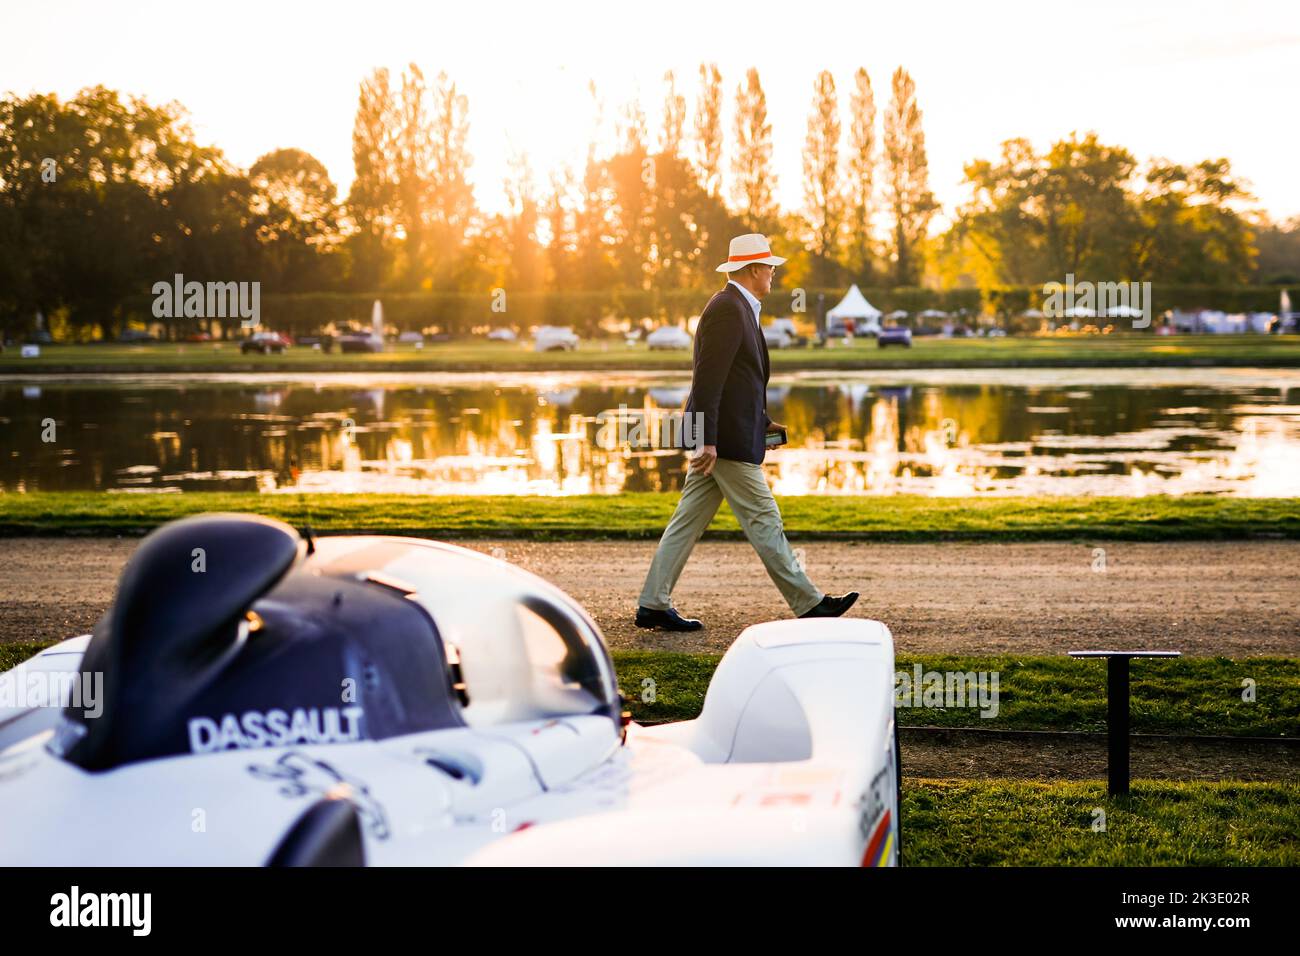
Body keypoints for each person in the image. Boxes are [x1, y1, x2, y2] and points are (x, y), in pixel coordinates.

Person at [634, 233, 859, 631]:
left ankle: (653, 603)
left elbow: (740, 380)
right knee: (765, 517)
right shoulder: (728, 308)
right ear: (754, 270)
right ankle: (809, 604)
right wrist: (705, 438)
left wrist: (762, 419)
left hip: (730, 435)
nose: (774, 272)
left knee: (687, 521)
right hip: (724, 443)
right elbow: (708, 380)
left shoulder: (740, 307)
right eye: (770, 266)